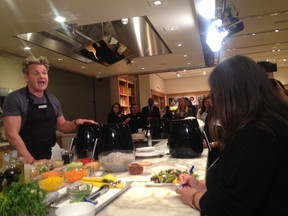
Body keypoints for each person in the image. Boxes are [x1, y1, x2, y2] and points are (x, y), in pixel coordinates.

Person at [176, 55, 288, 215]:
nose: (213, 101)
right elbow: (243, 182)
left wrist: (193, 197)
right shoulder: (259, 125)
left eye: (215, 92)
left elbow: (230, 207)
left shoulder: (259, 134)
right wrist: (201, 185)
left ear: (232, 94)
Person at [2, 56, 97, 164]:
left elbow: (62, 125)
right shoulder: (15, 98)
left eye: (44, 73)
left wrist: (76, 122)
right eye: (36, 73)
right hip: (24, 158)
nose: (41, 76)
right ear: (26, 77)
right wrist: (32, 162)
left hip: (49, 155)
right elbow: (11, 135)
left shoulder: (52, 99)